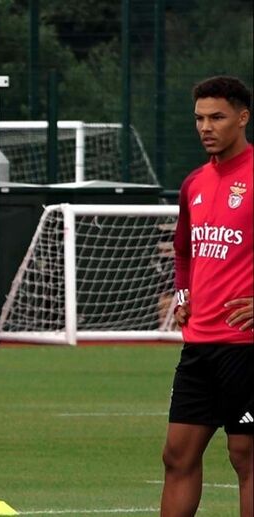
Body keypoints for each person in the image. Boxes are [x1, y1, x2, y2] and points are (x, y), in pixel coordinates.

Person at [161, 75, 253, 517]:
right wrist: (184, 294)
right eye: (199, 118)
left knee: (245, 455)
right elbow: (183, 250)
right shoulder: (194, 183)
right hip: (199, 345)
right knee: (177, 454)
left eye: (217, 117)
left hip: (247, 347)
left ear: (243, 117)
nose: (205, 127)